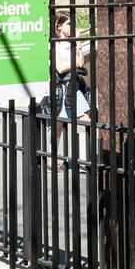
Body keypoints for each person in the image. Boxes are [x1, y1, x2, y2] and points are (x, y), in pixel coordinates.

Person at [49, 12, 89, 163]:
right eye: (69, 24)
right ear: (59, 26)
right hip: (61, 87)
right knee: (58, 124)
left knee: (85, 120)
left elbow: (81, 62)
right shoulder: (54, 44)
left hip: (74, 86)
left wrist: (78, 44)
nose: (73, 27)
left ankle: (83, 160)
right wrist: (75, 64)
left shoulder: (73, 43)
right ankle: (54, 160)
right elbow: (59, 68)